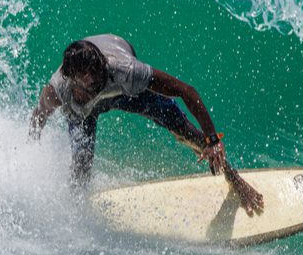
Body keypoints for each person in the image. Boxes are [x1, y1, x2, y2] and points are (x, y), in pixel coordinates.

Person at [28, 34, 264, 216]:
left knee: (186, 130)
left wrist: (212, 140)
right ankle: (74, 212)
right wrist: (31, 150)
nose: (101, 78)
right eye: (92, 78)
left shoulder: (124, 71)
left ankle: (235, 180)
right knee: (81, 164)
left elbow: (186, 91)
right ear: (73, 79)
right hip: (83, 111)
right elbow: (38, 116)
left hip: (125, 91)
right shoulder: (57, 91)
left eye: (101, 71)